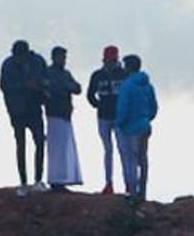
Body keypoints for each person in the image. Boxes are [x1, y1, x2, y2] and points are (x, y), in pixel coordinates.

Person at [1, 40, 49, 197]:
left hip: (35, 108)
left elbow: (47, 80)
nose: (19, 59)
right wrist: (24, 85)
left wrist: (40, 86)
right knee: (20, 144)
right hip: (17, 110)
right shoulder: (8, 64)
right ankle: (23, 182)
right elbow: (4, 86)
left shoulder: (38, 61)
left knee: (40, 142)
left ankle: (38, 180)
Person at [115, 53, 158, 199]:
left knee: (131, 160)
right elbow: (154, 108)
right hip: (145, 126)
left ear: (129, 67)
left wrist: (119, 123)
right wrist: (146, 118)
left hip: (130, 129)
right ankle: (143, 191)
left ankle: (132, 192)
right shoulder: (148, 85)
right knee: (143, 159)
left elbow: (123, 108)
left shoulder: (127, 86)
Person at [87, 45, 128, 195]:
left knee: (123, 149)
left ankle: (128, 183)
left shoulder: (124, 74)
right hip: (103, 116)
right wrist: (99, 105)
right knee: (108, 150)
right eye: (108, 61)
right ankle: (108, 183)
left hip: (119, 117)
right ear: (104, 60)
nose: (110, 64)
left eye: (113, 61)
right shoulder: (97, 75)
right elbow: (90, 95)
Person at [43, 46, 83, 193]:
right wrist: (63, 88)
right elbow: (49, 89)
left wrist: (65, 86)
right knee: (55, 148)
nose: (64, 60)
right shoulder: (48, 73)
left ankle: (62, 178)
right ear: (54, 57)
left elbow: (78, 88)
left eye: (65, 57)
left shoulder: (65, 74)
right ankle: (55, 180)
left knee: (64, 147)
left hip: (65, 114)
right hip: (54, 114)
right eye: (61, 57)